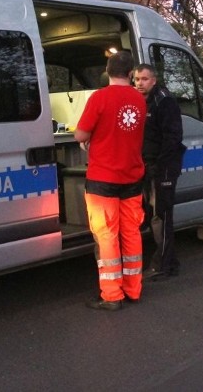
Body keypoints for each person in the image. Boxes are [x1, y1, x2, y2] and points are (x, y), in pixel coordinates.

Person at [74, 50, 147, 310]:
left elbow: (80, 134)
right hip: (132, 177)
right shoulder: (139, 100)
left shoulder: (100, 98)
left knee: (106, 236)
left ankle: (111, 295)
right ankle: (133, 289)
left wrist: (89, 139)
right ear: (130, 74)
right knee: (131, 233)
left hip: (103, 177)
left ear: (107, 70)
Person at [133, 64, 186, 282]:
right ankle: (170, 262)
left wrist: (159, 166)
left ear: (154, 80)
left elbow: (173, 138)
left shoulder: (164, 101)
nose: (139, 83)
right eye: (137, 79)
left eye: (144, 79)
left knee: (161, 216)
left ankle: (162, 265)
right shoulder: (139, 101)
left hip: (162, 168)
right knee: (153, 215)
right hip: (147, 166)